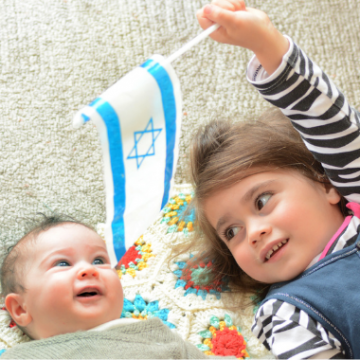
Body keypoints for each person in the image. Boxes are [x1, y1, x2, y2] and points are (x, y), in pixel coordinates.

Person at [193, 1, 360, 359]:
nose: (253, 232)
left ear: (327, 184)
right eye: (232, 232)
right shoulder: (292, 315)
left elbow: (332, 124)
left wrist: (266, 44)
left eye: (261, 201)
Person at [0, 214, 212, 359]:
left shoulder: (155, 334)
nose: (89, 270)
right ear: (21, 309)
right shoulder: (22, 357)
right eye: (63, 263)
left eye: (99, 261)